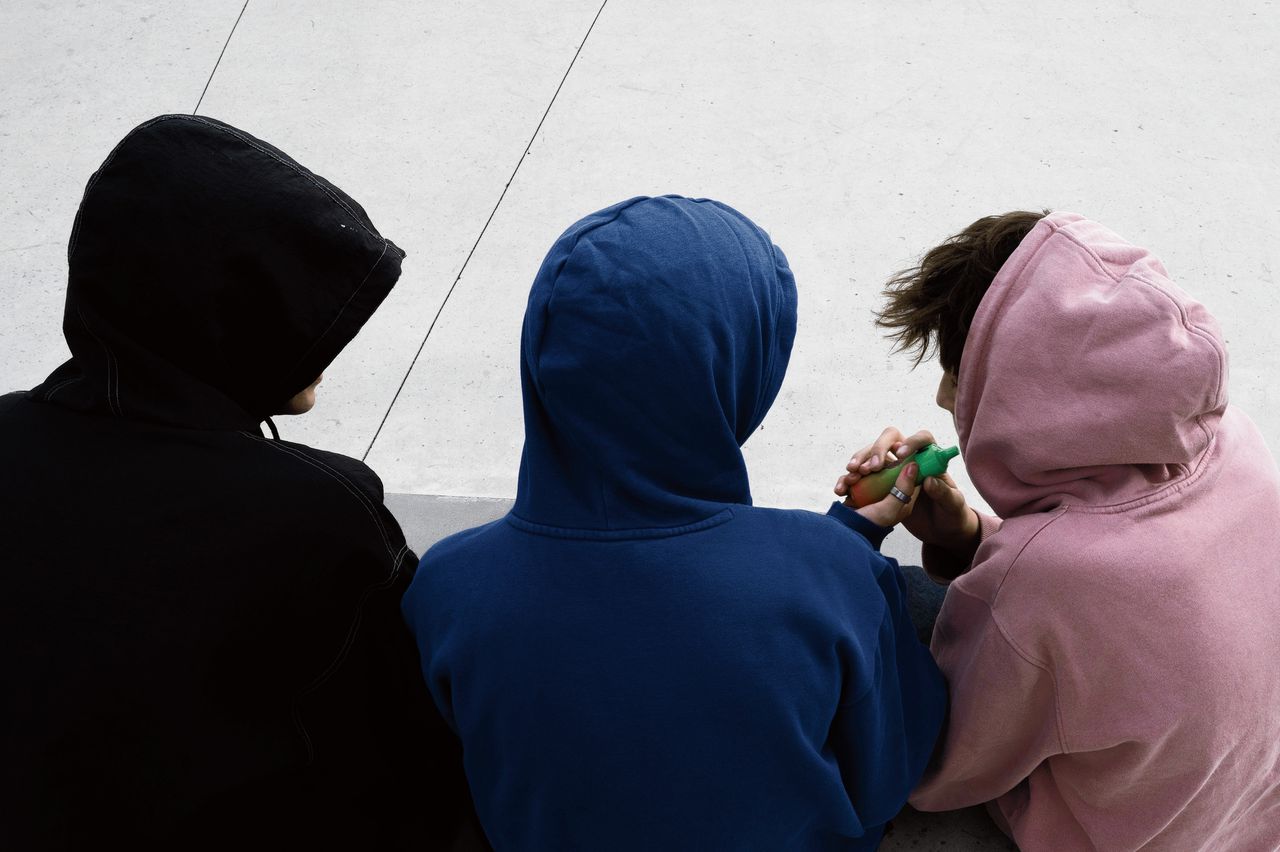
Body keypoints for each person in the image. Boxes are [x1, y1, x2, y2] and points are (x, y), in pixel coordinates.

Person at [402, 195, 947, 850]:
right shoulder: (827, 576)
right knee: (925, 604)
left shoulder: (447, 585)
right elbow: (885, 779)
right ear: (736, 367)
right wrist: (854, 556)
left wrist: (845, 539)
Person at [0, 115, 477, 850]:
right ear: (215, 309)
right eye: (284, 302)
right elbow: (420, 768)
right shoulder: (317, 521)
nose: (328, 336)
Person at [836, 211, 1280, 849]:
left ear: (1030, 390)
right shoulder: (1234, 437)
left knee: (886, 605)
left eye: (960, 371)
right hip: (1236, 815)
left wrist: (843, 551)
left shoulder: (1045, 576)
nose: (941, 396)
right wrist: (967, 538)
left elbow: (940, 772)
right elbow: (1113, 608)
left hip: (1123, 835)